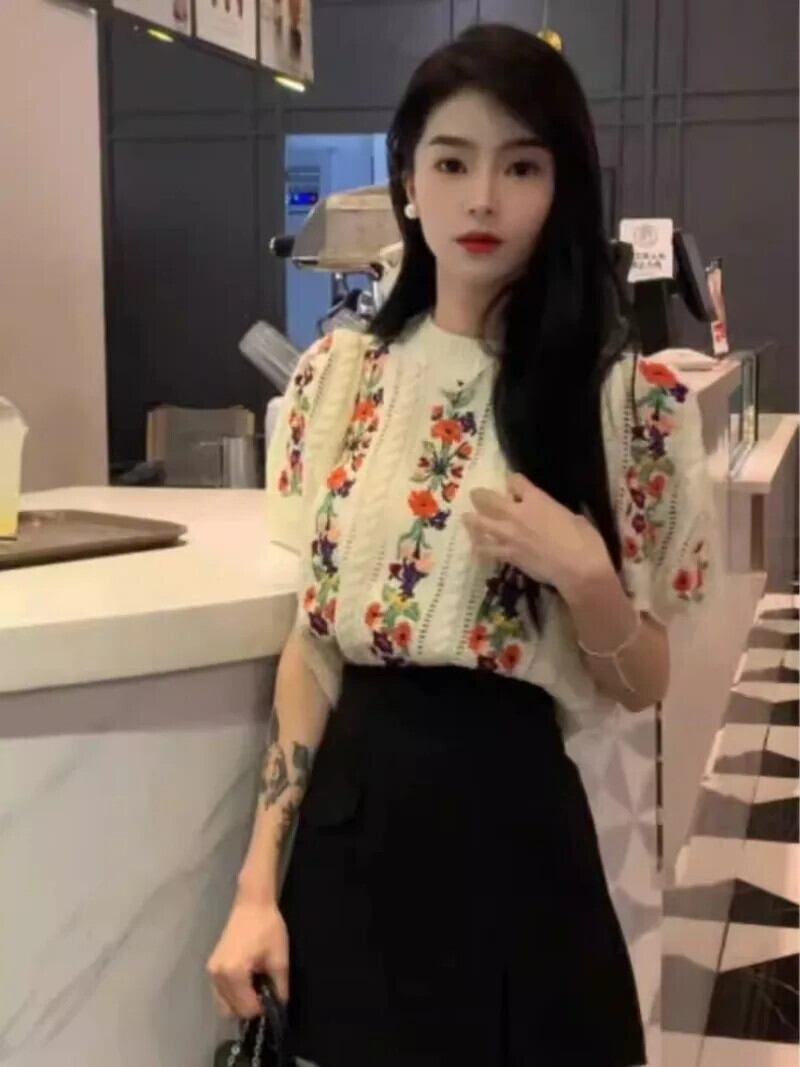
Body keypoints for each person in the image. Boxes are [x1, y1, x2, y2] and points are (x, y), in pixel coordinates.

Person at [207, 22, 712, 1067]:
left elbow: (644, 682)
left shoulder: (626, 401)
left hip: (518, 835)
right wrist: (257, 885)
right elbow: (315, 645)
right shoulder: (338, 379)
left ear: (560, 187)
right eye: (451, 163)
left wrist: (587, 575)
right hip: (353, 838)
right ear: (407, 180)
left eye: (520, 166)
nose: (481, 199)